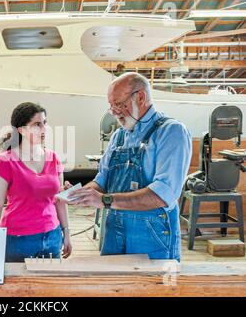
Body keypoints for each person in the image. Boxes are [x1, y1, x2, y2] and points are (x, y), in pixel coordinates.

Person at [68, 72, 192, 261]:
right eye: (111, 106)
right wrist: (81, 194)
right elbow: (102, 180)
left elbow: (163, 194)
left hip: (152, 235)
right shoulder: (119, 136)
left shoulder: (171, 132)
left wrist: (106, 200)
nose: (114, 112)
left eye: (118, 104)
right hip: (115, 232)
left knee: (151, 289)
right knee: (115, 287)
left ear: (140, 97)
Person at [0, 102, 72, 262]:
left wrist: (66, 232)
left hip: (52, 237)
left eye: (44, 123)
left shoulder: (53, 158)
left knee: (49, 287)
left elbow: (60, 201)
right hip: (18, 240)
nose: (44, 129)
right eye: (37, 124)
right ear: (22, 129)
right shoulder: (6, 161)